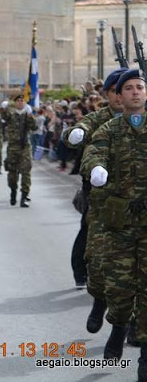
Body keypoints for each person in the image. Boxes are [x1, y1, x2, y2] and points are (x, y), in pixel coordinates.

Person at [81, 69, 147, 382]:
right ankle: (118, 327)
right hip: (120, 224)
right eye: (129, 88)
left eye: (140, 87)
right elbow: (94, 151)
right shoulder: (110, 127)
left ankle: (145, 356)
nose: (135, 92)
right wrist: (96, 169)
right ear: (119, 96)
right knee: (120, 290)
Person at [64, 68, 126, 300]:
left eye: (125, 90)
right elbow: (76, 130)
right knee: (90, 233)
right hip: (99, 192)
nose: (120, 96)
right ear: (106, 95)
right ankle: (82, 273)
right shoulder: (100, 118)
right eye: (114, 91)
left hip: (132, 191)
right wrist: (74, 134)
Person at [3, 95, 38, 207]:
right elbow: (3, 115)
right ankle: (13, 191)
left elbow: (35, 128)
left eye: (22, 101)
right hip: (13, 147)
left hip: (25, 147)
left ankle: (24, 197)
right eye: (17, 101)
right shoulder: (10, 114)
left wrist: (31, 117)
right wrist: (7, 106)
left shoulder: (28, 115)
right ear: (15, 103)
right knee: (12, 172)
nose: (20, 102)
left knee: (26, 172)